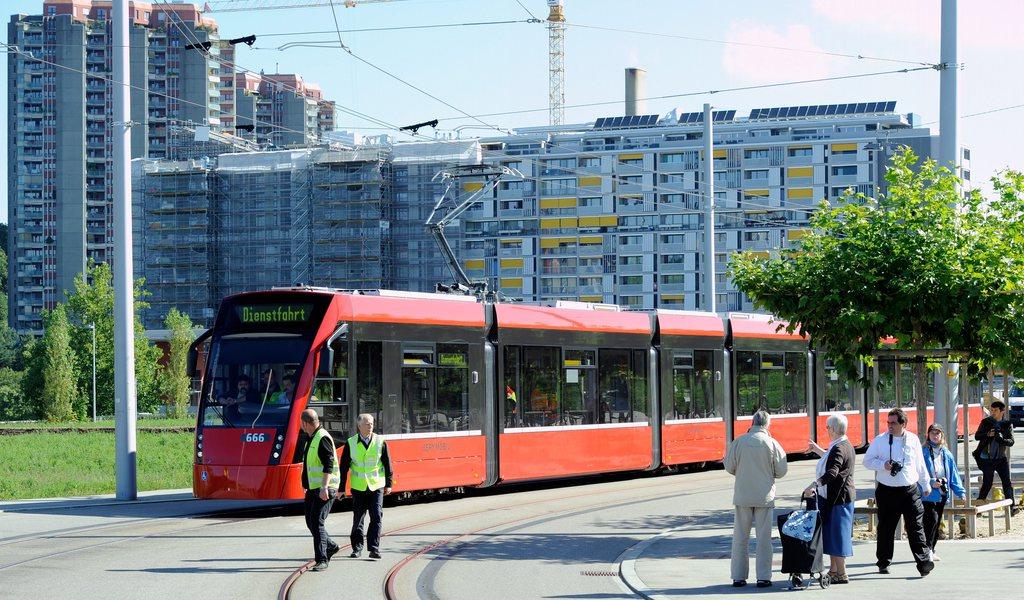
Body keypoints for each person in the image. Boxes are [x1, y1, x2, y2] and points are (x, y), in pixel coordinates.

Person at [863, 408, 934, 577]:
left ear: (904, 424)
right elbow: (867, 461)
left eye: (893, 423)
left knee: (916, 527)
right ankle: (883, 562)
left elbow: (919, 464)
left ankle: (924, 563)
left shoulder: (913, 439)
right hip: (886, 491)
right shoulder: (880, 440)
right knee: (886, 529)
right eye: (888, 422)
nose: (890, 426)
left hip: (909, 490)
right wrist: (883, 465)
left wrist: (925, 484)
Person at [724, 409, 788, 588]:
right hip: (764, 497)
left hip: (743, 496)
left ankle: (738, 576)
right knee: (764, 539)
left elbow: (729, 466)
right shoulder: (772, 443)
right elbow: (782, 471)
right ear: (767, 424)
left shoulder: (739, 442)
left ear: (752, 423)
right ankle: (763, 577)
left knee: (740, 538)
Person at [804, 414, 856, 584]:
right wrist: (817, 449)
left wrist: (815, 484)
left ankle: (842, 573)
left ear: (833, 429)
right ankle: (834, 571)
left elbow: (833, 471)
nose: (826, 430)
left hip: (839, 498)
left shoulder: (840, 447)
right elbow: (830, 458)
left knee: (838, 536)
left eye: (827, 427)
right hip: (838, 497)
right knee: (834, 535)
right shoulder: (842, 444)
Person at [338, 413, 393, 559]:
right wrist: (341, 488)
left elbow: (387, 463)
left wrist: (389, 483)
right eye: (367, 424)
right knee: (358, 519)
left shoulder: (380, 441)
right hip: (359, 487)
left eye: (372, 423)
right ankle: (357, 548)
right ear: (359, 426)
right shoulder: (351, 442)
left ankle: (374, 548)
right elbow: (343, 467)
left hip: (376, 486)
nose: (370, 426)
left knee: (376, 516)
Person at [299, 408, 341, 572]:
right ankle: (330, 546)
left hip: (325, 488)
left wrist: (324, 487)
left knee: (317, 523)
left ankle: (322, 559)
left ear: (305, 423)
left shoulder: (322, 438)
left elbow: (328, 465)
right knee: (310, 522)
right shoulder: (312, 437)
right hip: (313, 488)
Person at [921, 423, 965, 561]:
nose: (935, 435)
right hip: (927, 493)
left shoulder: (946, 453)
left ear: (942, 435)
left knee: (937, 521)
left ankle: (932, 549)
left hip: (942, 492)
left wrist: (960, 491)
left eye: (938, 433)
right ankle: (927, 549)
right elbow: (919, 472)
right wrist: (930, 482)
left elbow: (954, 474)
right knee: (931, 521)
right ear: (928, 435)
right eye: (933, 433)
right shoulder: (923, 451)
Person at [973, 401, 1017, 513]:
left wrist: (1001, 439)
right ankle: (979, 507)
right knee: (987, 482)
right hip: (986, 458)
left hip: (1001, 458)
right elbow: (977, 436)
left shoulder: (1007, 424)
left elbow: (1011, 442)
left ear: (1002, 411)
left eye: (995, 410)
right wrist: (988, 434)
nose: (992, 412)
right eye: (991, 410)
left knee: (1007, 482)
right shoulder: (986, 422)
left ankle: (1012, 507)